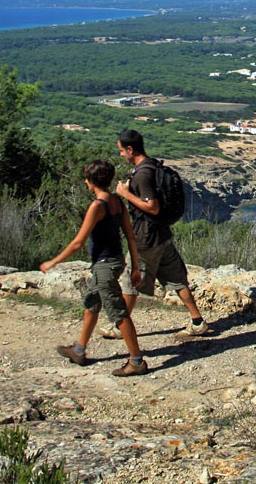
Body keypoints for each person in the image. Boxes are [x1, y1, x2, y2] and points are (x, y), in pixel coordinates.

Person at [40, 159, 149, 376]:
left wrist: (52, 262)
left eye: (86, 179)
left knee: (119, 314)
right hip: (116, 261)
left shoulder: (97, 206)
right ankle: (79, 350)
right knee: (92, 302)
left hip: (104, 266)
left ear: (91, 182)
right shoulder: (117, 202)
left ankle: (137, 361)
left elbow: (77, 242)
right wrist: (134, 265)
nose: (85, 182)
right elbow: (130, 236)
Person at [98, 129, 208, 339]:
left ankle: (121, 326)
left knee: (130, 282)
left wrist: (125, 194)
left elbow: (153, 207)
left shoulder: (142, 174)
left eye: (121, 151)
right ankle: (197, 322)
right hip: (162, 235)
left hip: (146, 238)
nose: (121, 155)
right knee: (177, 279)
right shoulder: (153, 165)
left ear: (130, 149)